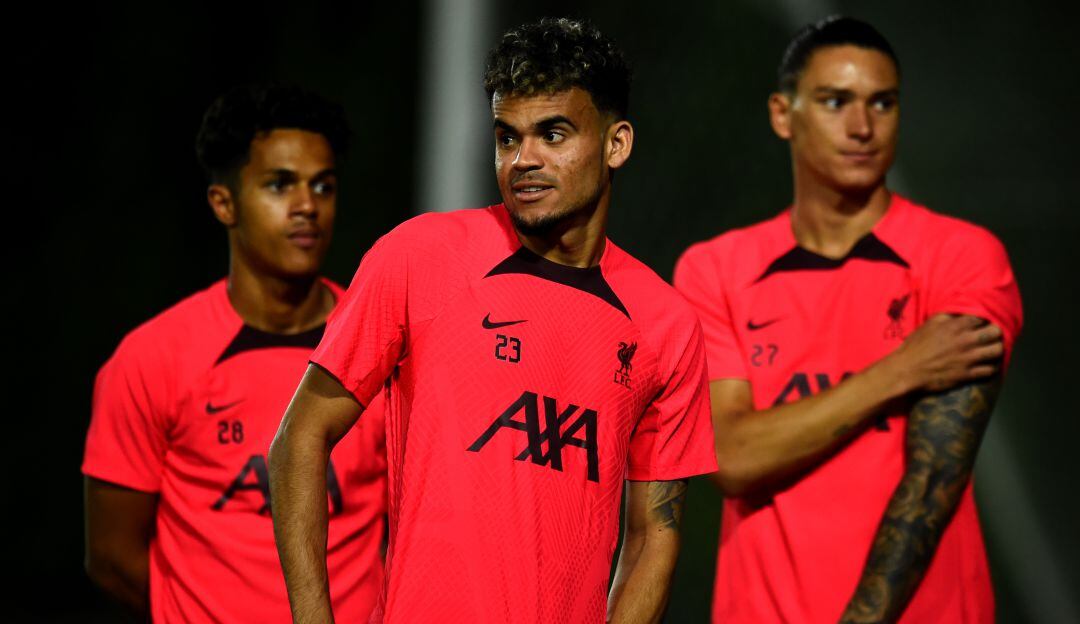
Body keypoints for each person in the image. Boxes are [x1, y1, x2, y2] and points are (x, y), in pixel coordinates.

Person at [269, 17, 716, 624]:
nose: (523, 159)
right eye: (507, 138)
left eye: (552, 135)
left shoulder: (667, 326)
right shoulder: (420, 254)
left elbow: (652, 539)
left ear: (616, 143)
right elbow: (299, 437)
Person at [675, 16, 1023, 623]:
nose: (862, 127)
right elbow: (731, 457)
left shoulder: (963, 258)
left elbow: (933, 477)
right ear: (784, 115)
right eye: (836, 102)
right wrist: (899, 371)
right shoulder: (715, 270)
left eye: (882, 104)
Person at [82, 84, 386, 623]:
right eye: (279, 184)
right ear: (224, 203)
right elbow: (111, 558)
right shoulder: (151, 357)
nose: (307, 206)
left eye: (323, 185)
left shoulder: (381, 345)